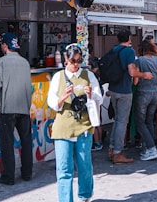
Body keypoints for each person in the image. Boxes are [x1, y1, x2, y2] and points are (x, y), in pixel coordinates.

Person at [47, 44, 103, 202]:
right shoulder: (58, 77)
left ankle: (85, 196)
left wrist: (91, 95)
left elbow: (99, 98)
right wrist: (63, 97)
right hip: (63, 127)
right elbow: (52, 102)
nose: (76, 64)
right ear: (66, 60)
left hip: (83, 126)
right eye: (73, 61)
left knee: (85, 165)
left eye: (79, 60)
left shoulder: (88, 75)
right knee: (64, 168)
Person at [0, 33, 33, 185]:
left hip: (8, 108)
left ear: (5, 46)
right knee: (26, 141)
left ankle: (8, 177)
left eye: (2, 44)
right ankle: (27, 173)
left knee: (7, 143)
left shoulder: (1, 62)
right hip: (24, 107)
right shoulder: (25, 63)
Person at [107, 29, 153, 164]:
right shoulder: (129, 51)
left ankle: (111, 148)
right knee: (122, 122)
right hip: (124, 90)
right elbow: (132, 72)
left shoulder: (113, 50)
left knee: (116, 120)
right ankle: (117, 152)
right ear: (128, 38)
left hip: (113, 89)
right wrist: (145, 75)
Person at [133, 39, 157, 160]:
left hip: (143, 93)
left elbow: (135, 81)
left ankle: (151, 148)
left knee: (140, 122)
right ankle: (148, 148)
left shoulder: (139, 61)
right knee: (149, 121)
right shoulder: (156, 59)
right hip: (155, 93)